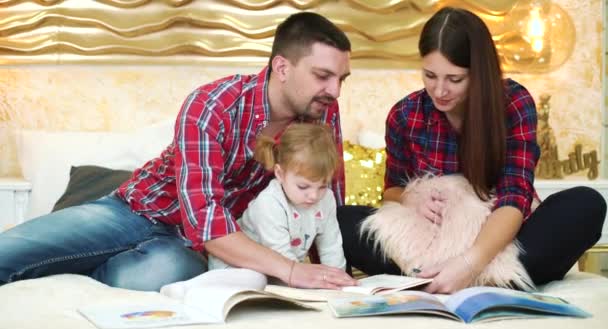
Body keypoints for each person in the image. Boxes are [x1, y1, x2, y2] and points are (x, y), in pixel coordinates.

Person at [0, 12, 356, 291]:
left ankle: (81, 273)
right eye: (323, 75)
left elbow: (327, 203)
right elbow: (207, 221)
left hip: (190, 249)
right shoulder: (213, 105)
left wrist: (332, 275)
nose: (335, 90)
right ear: (282, 67)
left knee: (154, 277)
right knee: (10, 252)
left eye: (341, 79)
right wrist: (292, 271)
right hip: (136, 212)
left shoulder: (322, 112)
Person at [337, 7, 606, 294]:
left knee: (587, 204)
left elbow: (515, 197)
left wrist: (469, 263)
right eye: (430, 75)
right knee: (343, 220)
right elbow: (391, 191)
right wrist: (412, 199)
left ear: (479, 72)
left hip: (504, 242)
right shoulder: (406, 114)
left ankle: (460, 277)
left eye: (454, 79)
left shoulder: (513, 103)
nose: (439, 90)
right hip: (431, 242)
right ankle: (446, 275)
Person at [208, 123, 347, 277]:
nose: (314, 195)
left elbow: (331, 246)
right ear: (280, 174)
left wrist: (339, 279)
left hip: (280, 271)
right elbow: (282, 258)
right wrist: (305, 281)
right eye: (303, 186)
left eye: (322, 186)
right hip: (235, 268)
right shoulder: (269, 203)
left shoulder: (326, 199)